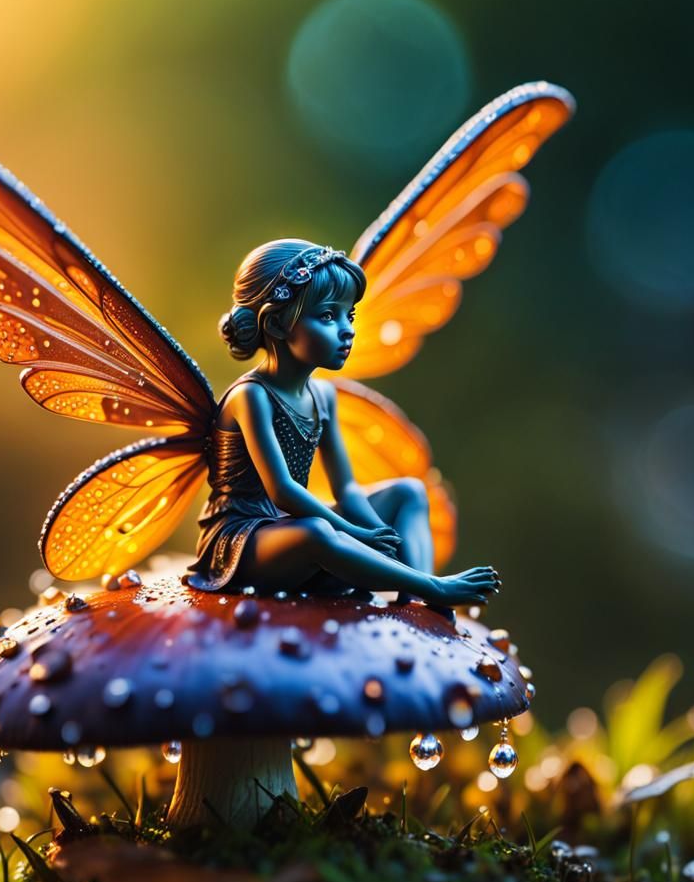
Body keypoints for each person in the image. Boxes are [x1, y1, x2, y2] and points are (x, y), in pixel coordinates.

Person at [185, 238, 500, 608]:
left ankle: (417, 598)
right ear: (277, 324)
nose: (347, 330)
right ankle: (434, 587)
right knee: (317, 532)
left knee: (409, 493)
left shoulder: (324, 396)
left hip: (291, 527)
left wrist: (376, 531)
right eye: (327, 316)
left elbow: (346, 489)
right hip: (243, 542)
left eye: (348, 316)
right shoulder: (251, 397)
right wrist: (354, 533)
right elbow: (282, 490)